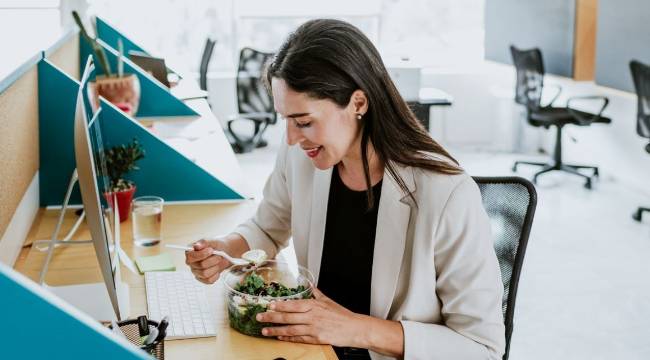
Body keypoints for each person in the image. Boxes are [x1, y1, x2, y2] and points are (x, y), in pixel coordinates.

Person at [185, 19, 505, 360]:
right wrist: (225, 249)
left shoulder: (448, 194)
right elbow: (268, 226)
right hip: (318, 349)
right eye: (287, 121)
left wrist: (351, 327)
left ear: (358, 103)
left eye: (304, 122)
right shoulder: (302, 153)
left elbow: (481, 348)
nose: (292, 138)